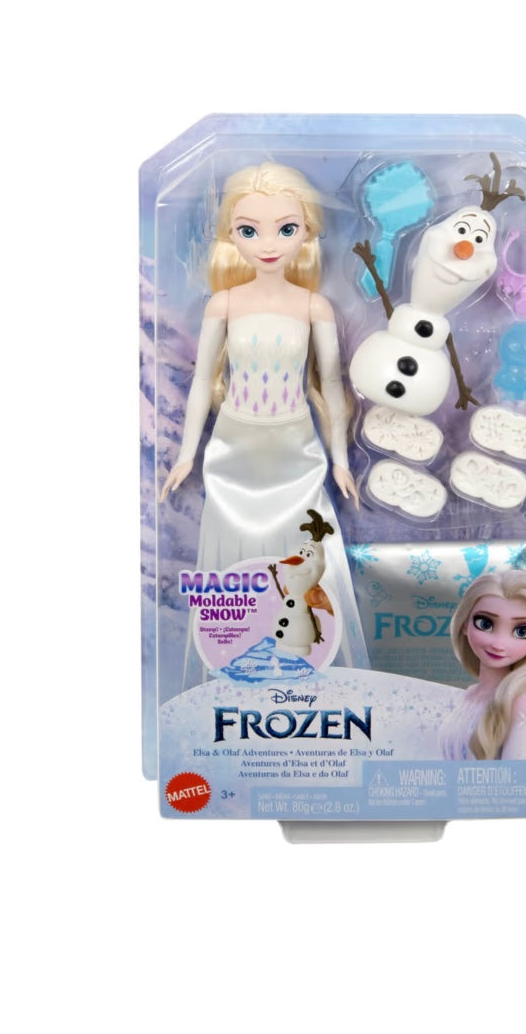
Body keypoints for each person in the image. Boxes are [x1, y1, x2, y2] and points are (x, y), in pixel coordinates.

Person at [160, 162, 366, 674]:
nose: (268, 244)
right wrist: (187, 455)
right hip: (234, 448)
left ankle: (308, 657)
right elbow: (203, 383)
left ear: (307, 231)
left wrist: (341, 461)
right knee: (233, 552)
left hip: (296, 449)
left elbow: (331, 385)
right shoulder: (224, 303)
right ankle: (232, 654)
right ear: (231, 235)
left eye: (286, 228)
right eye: (249, 230)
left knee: (305, 551)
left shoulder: (314, 306)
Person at [439, 570, 526, 760]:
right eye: (485, 624)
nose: (499, 644)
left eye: (522, 631)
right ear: (465, 624)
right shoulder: (468, 695)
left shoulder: (519, 699)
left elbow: (516, 772)